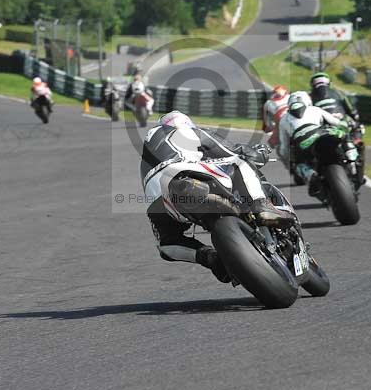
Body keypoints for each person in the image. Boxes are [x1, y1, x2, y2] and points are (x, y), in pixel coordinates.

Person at [140, 111, 292, 282]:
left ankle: (209, 258)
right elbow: (226, 149)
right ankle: (260, 205)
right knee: (238, 162)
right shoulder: (181, 131)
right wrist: (253, 153)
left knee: (167, 243)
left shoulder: (148, 153)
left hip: (159, 201)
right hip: (183, 175)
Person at [277, 91, 348, 185]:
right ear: (308, 101)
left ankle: (311, 175)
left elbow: (284, 146)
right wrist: (343, 123)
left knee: (298, 164)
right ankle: (350, 158)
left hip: (303, 144)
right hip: (321, 135)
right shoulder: (315, 109)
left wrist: (286, 158)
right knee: (341, 136)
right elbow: (336, 122)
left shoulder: (284, 119)